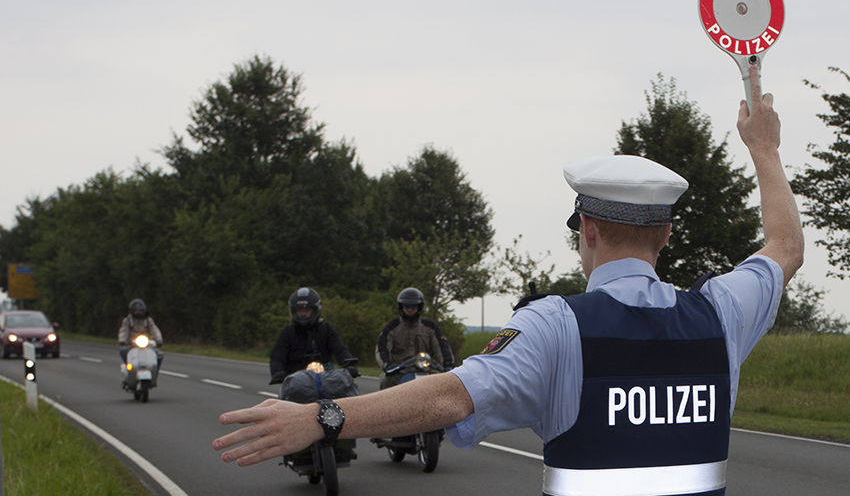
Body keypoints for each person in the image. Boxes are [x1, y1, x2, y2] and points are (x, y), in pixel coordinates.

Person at [213, 66, 804, 496]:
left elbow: (449, 394)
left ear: (589, 230)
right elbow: (785, 248)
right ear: (667, 234)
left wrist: (323, 417)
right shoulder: (719, 314)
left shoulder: (555, 325)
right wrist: (764, 147)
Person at [269, 287, 358, 384]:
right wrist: (277, 371)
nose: (303, 314)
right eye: (300, 311)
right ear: (294, 311)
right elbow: (277, 356)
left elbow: (340, 349)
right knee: (280, 399)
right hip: (295, 382)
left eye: (307, 310)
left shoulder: (326, 329)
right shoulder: (287, 332)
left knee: (346, 394)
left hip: (326, 381)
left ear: (315, 310)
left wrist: (349, 365)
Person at [375, 287, 454, 389]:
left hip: (425, 372)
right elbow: (382, 349)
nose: (410, 309)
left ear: (419, 307)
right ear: (401, 307)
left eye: (414, 306)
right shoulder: (392, 328)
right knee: (385, 381)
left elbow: (442, 347)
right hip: (399, 372)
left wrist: (448, 364)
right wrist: (388, 366)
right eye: (406, 306)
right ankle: (386, 405)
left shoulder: (430, 328)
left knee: (447, 386)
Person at [118, 298, 163, 369]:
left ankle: (154, 373)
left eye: (140, 310)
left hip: (147, 344)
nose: (138, 312)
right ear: (132, 311)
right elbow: (124, 330)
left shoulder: (148, 320)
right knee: (123, 351)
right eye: (136, 311)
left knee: (159, 355)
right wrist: (122, 340)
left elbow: (154, 329)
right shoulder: (127, 320)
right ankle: (129, 367)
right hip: (132, 344)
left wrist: (159, 340)